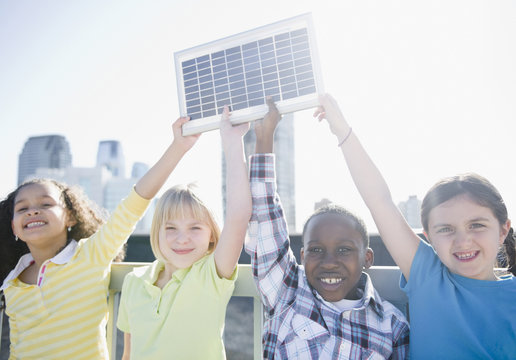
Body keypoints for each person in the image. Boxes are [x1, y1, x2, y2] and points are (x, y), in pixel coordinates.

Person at [314, 93, 516, 359]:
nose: (463, 240)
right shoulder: (427, 275)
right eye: (446, 229)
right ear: (428, 236)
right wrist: (342, 130)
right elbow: (380, 201)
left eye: (477, 225)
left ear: (503, 230)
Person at [0, 115, 200, 359]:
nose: (33, 210)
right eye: (22, 208)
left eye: (45, 204)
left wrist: (178, 147)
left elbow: (134, 204)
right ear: (14, 228)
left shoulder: (92, 253)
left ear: (71, 217)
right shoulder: (11, 282)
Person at [245, 98, 409, 359]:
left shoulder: (392, 325)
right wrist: (265, 137)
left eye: (344, 250)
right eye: (316, 250)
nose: (329, 262)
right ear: (302, 257)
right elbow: (264, 216)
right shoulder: (287, 292)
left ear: (367, 258)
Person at [116, 105, 252, 360]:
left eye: (195, 228)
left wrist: (233, 143)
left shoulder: (212, 274)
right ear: (157, 231)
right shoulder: (134, 282)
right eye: (171, 228)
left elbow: (238, 216)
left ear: (212, 233)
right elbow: (128, 354)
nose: (182, 238)